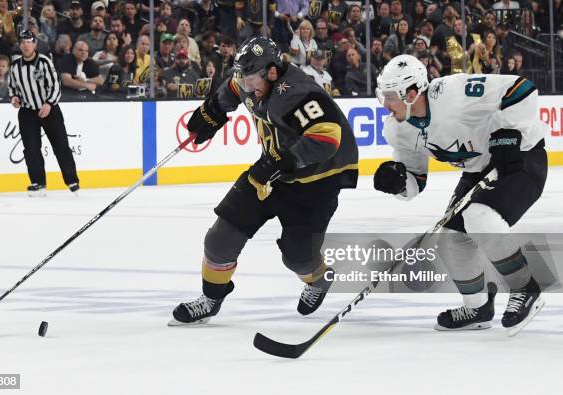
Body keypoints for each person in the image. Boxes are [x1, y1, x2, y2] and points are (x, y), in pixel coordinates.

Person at [169, 37, 358, 325]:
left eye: (251, 78)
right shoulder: (249, 81)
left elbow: (327, 137)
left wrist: (283, 161)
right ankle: (211, 299)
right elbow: (232, 88)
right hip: (272, 172)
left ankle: (319, 278)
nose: (246, 85)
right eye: (242, 76)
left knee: (298, 258)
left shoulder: (299, 93)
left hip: (316, 181)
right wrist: (214, 111)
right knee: (220, 239)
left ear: (272, 71)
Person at [373, 54, 547, 335]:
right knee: (451, 241)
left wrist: (508, 133)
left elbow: (521, 88)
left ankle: (524, 288)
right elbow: (415, 179)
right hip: (478, 170)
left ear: (412, 93)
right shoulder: (398, 129)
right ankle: (477, 307)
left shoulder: (454, 94)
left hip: (521, 158)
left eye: (390, 96)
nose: (385, 104)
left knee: (479, 217)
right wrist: (398, 181)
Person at [8, 31, 80, 197]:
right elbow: (12, 87)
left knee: (61, 146)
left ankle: (71, 180)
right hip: (27, 112)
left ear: (34, 44)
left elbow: (55, 85)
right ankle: (38, 182)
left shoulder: (45, 62)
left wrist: (49, 103)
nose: (26, 45)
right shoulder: (15, 66)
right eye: (23, 42)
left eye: (29, 42)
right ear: (20, 45)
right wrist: (14, 98)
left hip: (49, 109)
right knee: (31, 149)